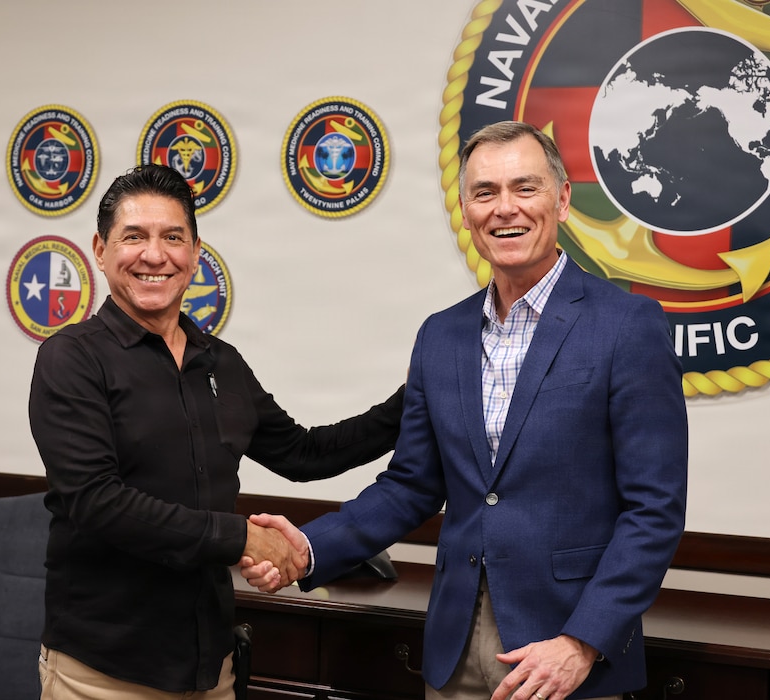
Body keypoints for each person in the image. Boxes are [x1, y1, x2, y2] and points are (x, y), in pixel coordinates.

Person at [241, 121, 688, 700]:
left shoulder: (629, 327)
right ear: (466, 210)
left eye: (525, 188)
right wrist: (309, 548)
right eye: (485, 192)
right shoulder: (441, 336)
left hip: (566, 657)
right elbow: (410, 486)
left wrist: (582, 642)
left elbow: (654, 511)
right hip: (454, 653)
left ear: (563, 199)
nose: (506, 209)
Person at [28, 164, 405, 699]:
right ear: (101, 248)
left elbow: (304, 453)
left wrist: (416, 401)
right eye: (133, 236)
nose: (154, 255)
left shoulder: (219, 362)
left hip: (211, 668)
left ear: (195, 252)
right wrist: (242, 538)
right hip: (103, 674)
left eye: (172, 237)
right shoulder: (72, 359)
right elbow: (96, 502)